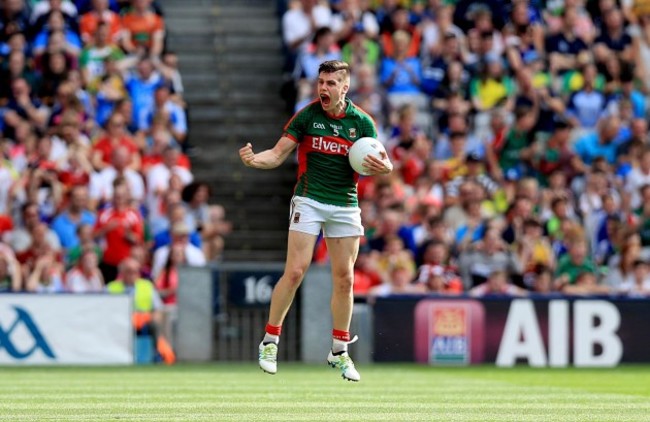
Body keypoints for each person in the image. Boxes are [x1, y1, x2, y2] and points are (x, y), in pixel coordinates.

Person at [239, 60, 392, 381]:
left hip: (345, 204)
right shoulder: (308, 116)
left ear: (345, 88)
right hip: (309, 199)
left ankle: (339, 351)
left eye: (331, 83)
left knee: (345, 278)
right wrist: (256, 160)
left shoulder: (362, 123)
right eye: (321, 82)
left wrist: (386, 169)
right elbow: (278, 153)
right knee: (294, 271)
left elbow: (382, 161)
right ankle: (270, 340)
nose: (324, 88)